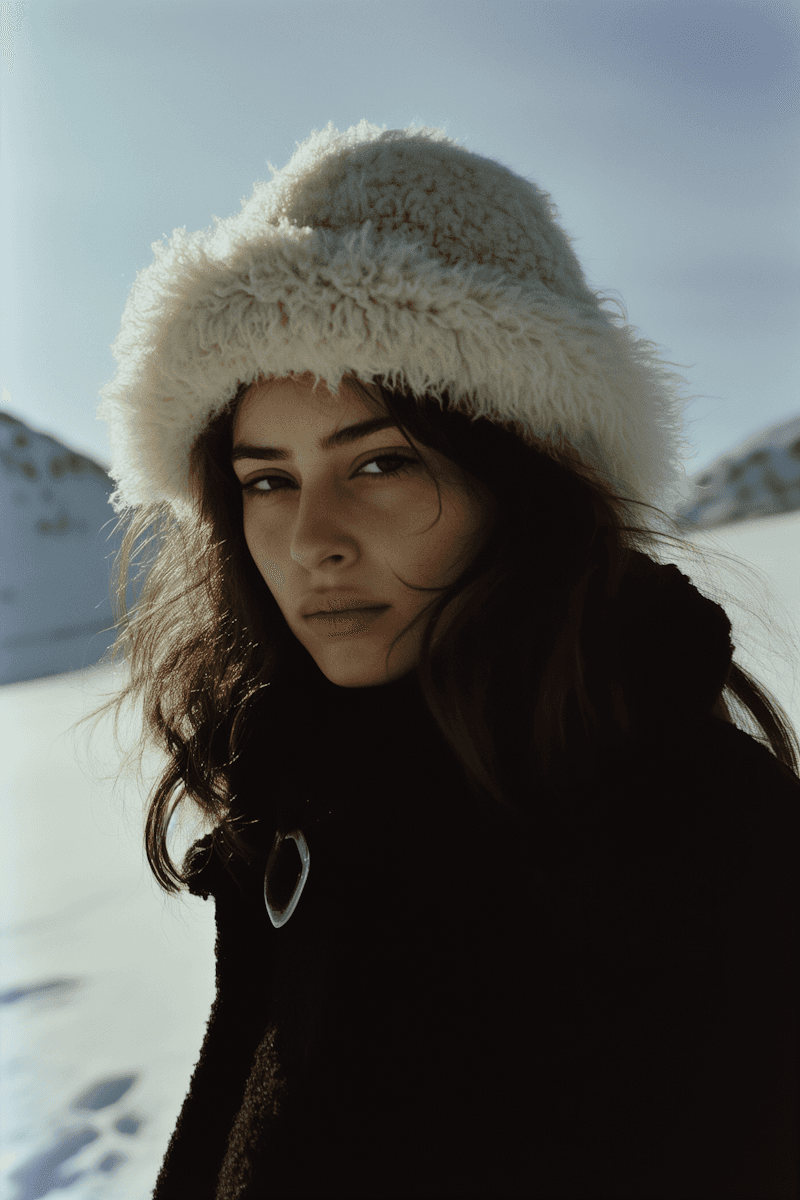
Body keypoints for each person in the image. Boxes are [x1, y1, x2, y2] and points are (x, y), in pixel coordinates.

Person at [92, 121, 799, 1198]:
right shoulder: (299, 810)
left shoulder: (702, 848)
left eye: (380, 462)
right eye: (267, 479)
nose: (309, 539)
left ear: (524, 481)